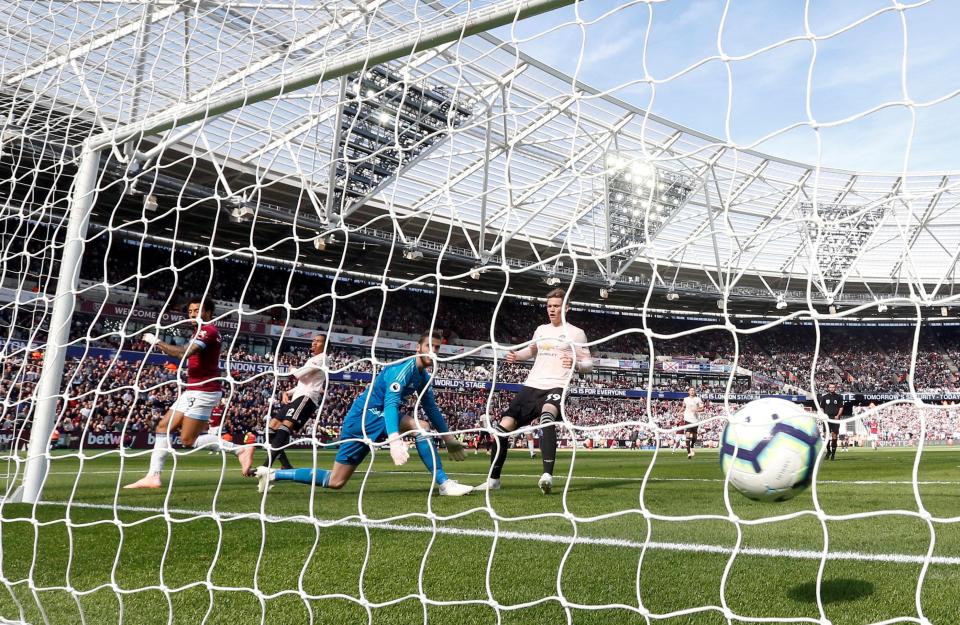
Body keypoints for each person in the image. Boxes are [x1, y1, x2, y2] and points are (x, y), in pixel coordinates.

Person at [256, 331, 472, 496]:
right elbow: (390, 404)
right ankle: (444, 484)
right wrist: (395, 440)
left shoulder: (423, 376)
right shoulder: (403, 369)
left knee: (336, 481)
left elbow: (432, 409)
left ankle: (273, 474)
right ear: (418, 348)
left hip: (365, 420)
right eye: (429, 346)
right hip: (365, 416)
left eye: (436, 348)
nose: (432, 351)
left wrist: (449, 438)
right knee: (420, 426)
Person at [125, 299, 254, 489]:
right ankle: (153, 476)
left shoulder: (208, 331)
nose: (193, 314)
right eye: (191, 311)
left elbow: (183, 354)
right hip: (194, 389)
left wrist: (156, 341)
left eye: (198, 310)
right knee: (162, 427)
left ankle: (239, 450)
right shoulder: (199, 332)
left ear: (209, 313)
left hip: (204, 391)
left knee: (188, 440)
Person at [475, 288, 592, 495]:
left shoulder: (576, 333)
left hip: (557, 385)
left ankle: (547, 475)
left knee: (547, 417)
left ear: (567, 308)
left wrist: (575, 364)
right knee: (503, 427)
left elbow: (588, 364)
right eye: (549, 306)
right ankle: (493, 480)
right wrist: (516, 356)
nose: (552, 310)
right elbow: (531, 351)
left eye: (556, 306)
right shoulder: (541, 330)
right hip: (532, 385)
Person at [253, 334, 327, 472]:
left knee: (284, 427)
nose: (314, 343)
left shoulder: (322, 359)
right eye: (313, 340)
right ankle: (285, 465)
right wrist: (287, 392)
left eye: (318, 341)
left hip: (307, 398)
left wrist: (292, 369)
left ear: (325, 345)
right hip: (298, 397)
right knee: (270, 428)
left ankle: (265, 466)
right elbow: (303, 383)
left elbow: (298, 375)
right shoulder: (313, 359)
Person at [818, 382, 843, 461]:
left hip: (835, 418)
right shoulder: (824, 397)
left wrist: (838, 415)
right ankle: (828, 451)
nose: (832, 388)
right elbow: (822, 408)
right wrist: (822, 415)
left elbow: (841, 407)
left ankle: (833, 454)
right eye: (830, 387)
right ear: (828, 388)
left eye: (833, 387)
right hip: (827, 419)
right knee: (826, 436)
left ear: (835, 388)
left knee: (834, 435)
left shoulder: (839, 397)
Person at [682, 387, 704, 459]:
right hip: (687, 419)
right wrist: (679, 412)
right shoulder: (685, 399)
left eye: (693, 390)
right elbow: (683, 407)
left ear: (695, 392)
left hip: (695, 420)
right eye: (691, 390)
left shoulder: (698, 399)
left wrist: (697, 410)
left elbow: (702, 408)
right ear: (688, 392)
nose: (692, 391)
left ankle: (692, 446)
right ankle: (688, 453)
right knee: (687, 435)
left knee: (694, 437)